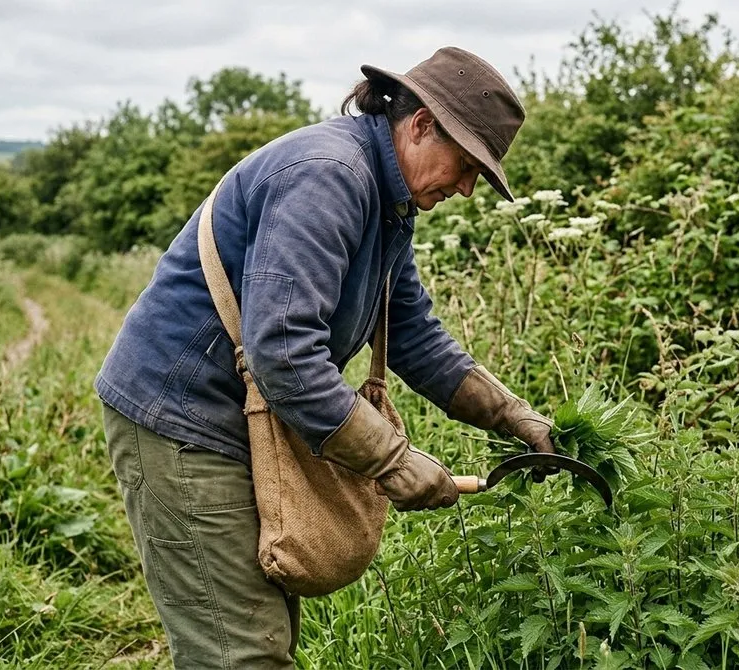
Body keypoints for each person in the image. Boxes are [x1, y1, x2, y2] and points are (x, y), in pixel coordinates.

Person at [95, 46, 555, 669]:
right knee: (240, 655)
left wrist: (515, 419)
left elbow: (414, 334)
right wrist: (393, 462)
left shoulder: (387, 202)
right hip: (181, 416)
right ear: (420, 125)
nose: (468, 188)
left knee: (259, 635)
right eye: (468, 164)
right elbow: (284, 355)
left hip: (235, 416)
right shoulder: (328, 175)